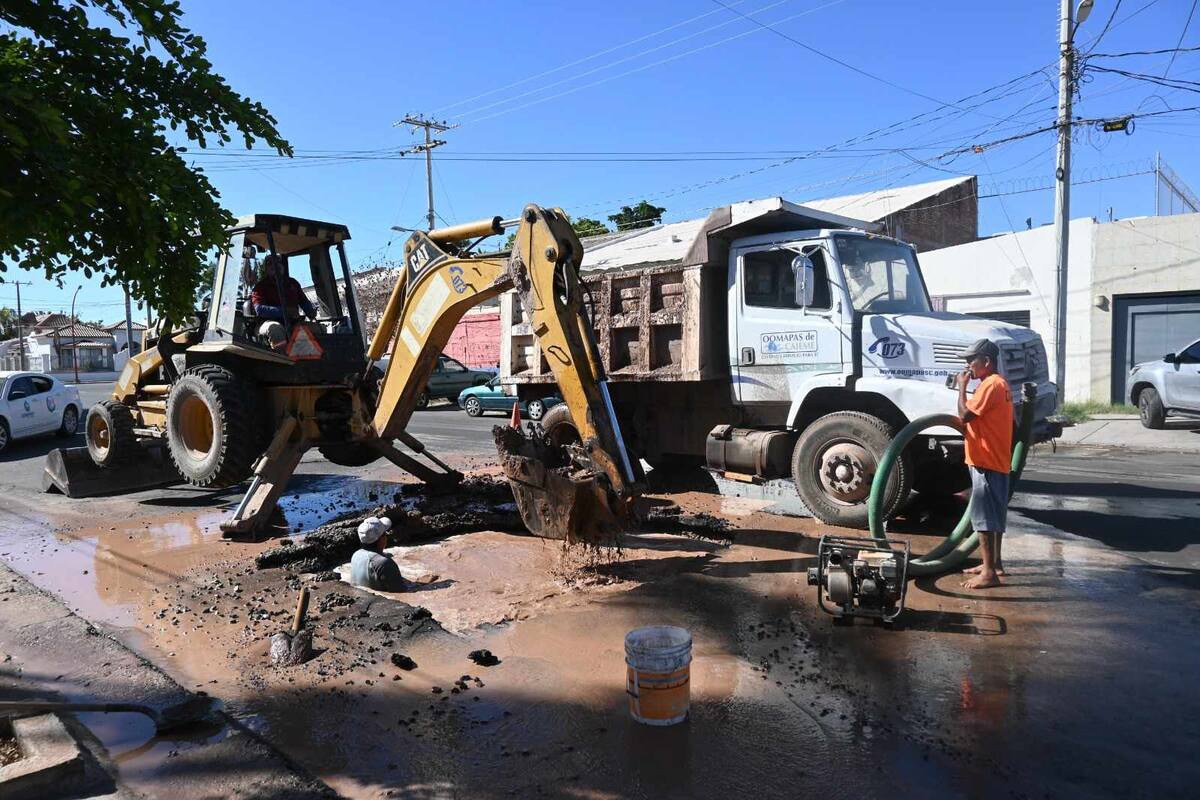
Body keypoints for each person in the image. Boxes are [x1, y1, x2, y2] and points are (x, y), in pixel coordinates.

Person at [955, 338, 1013, 590]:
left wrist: (961, 387)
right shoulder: (1001, 384)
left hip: (985, 460)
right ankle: (995, 564)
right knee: (995, 515)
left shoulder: (990, 384)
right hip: (996, 459)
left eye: (971, 360)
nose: (968, 366)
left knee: (984, 519)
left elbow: (964, 414)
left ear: (986, 361)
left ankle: (988, 572)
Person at [250, 254, 316, 350]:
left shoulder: (292, 283)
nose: (275, 266)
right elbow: (259, 310)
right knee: (275, 329)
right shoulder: (260, 287)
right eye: (270, 264)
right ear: (266, 268)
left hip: (292, 322)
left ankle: (315, 360)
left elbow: (304, 301)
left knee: (317, 328)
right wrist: (285, 311)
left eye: (278, 263)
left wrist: (310, 311)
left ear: (282, 266)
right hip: (268, 322)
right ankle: (282, 360)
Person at [350, 516, 406, 592]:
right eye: (385, 533)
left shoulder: (356, 555)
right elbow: (402, 591)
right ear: (382, 539)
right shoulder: (384, 563)